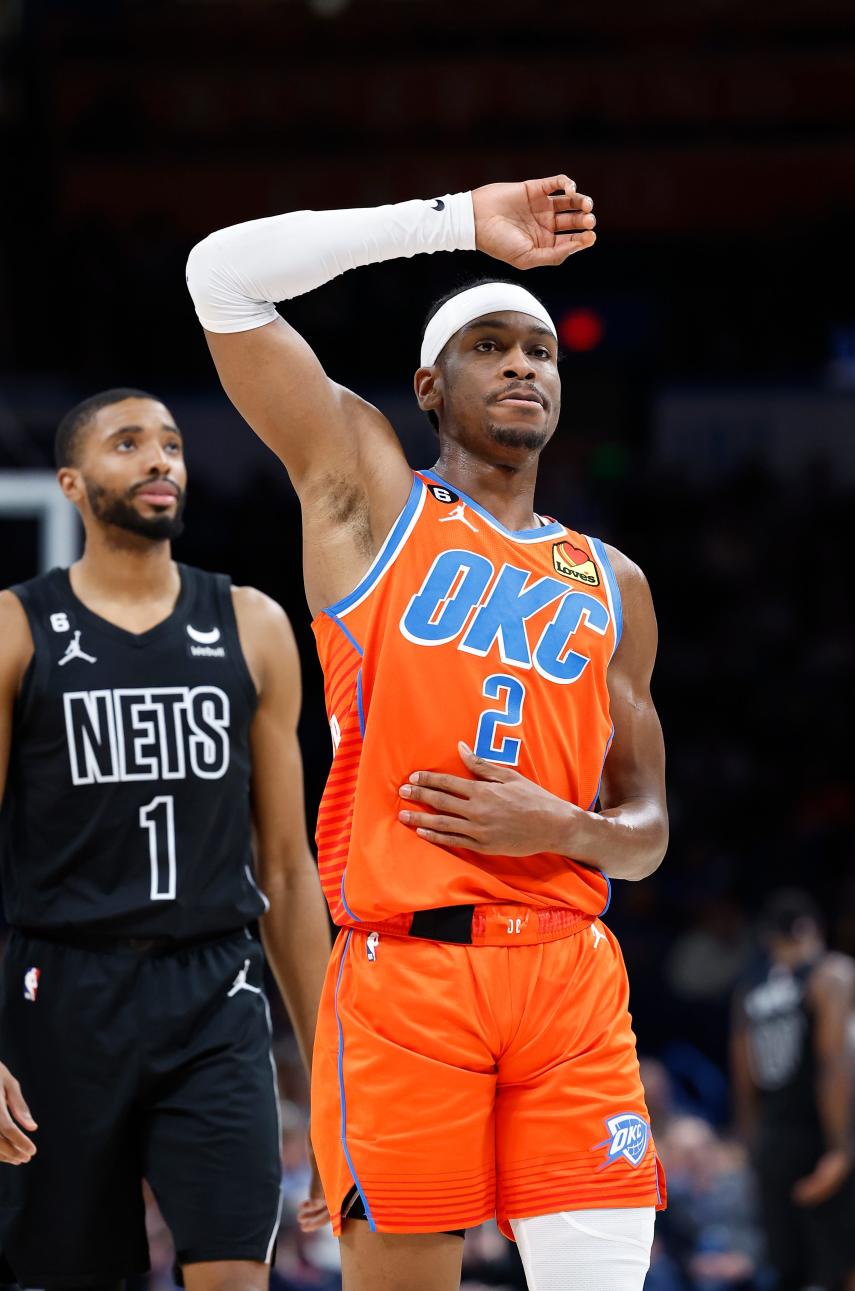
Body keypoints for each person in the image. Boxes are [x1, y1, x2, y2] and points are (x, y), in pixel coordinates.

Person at [186, 174, 669, 1291]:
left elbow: (644, 833)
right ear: (428, 387)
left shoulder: (614, 580)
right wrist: (450, 226)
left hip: (571, 978)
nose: (521, 366)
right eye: (490, 346)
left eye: (540, 351)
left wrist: (562, 825)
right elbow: (221, 275)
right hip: (407, 977)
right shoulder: (369, 498)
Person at [0, 389, 332, 1291]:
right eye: (129, 443)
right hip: (60, 992)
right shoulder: (16, 627)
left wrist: (330, 1065)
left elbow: (290, 872)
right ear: (71, 483)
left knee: (234, 1270)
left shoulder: (253, 625)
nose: (160, 460)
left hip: (212, 991)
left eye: (174, 445)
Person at [730, 890, 855, 1291]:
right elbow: (833, 1066)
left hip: (771, 1146)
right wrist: (840, 1149)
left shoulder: (748, 994)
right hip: (818, 1138)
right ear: (810, 929)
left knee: (797, 1274)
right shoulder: (832, 973)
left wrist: (756, 1155)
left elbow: (742, 1083)